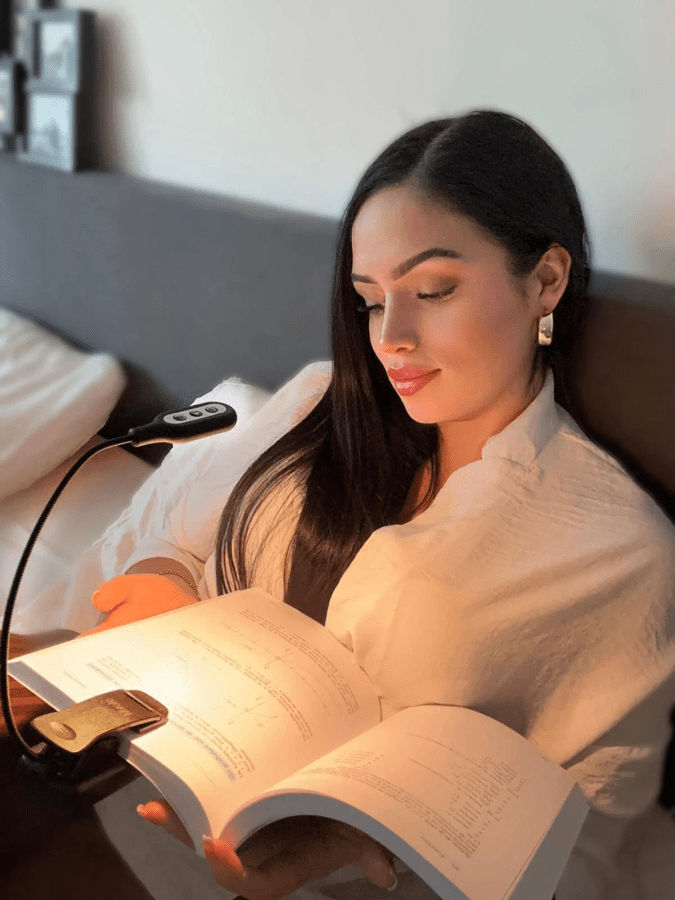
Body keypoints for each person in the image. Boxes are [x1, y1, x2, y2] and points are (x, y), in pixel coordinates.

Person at [7, 109, 675, 900]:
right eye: (370, 299)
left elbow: (589, 841)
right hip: (143, 824)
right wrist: (162, 585)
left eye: (433, 290)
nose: (390, 337)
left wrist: (360, 836)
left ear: (546, 281)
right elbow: (180, 537)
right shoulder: (317, 401)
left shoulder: (615, 550)